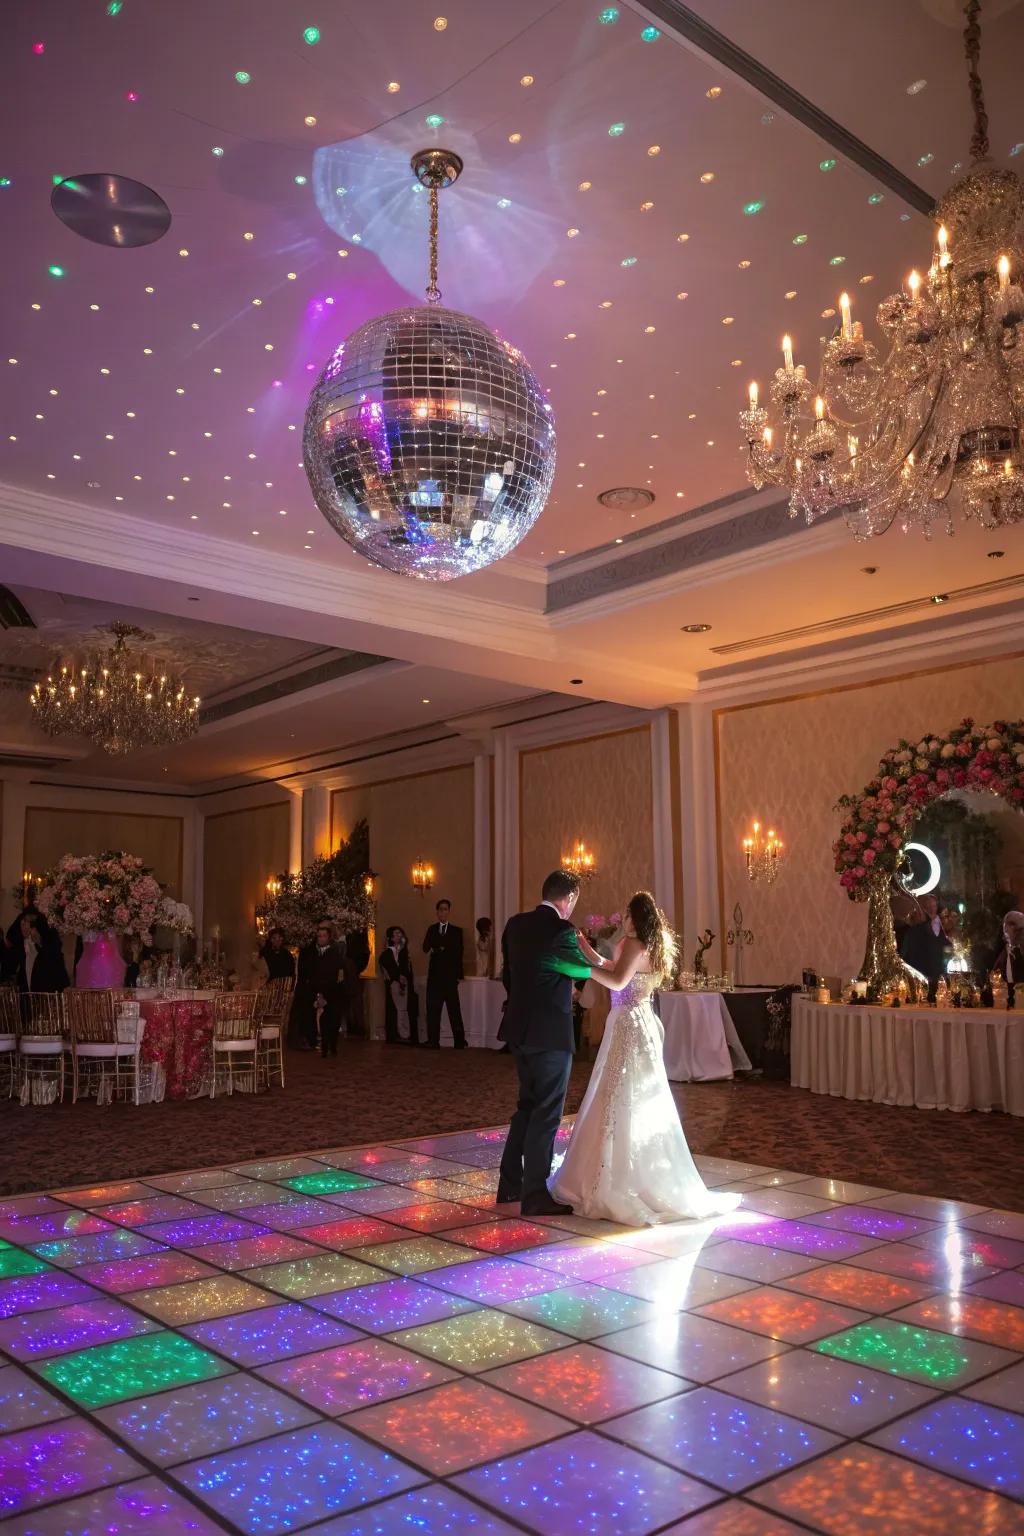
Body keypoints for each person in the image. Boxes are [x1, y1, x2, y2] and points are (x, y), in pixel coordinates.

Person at [551, 891, 742, 1226]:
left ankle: (614, 1176)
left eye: (627, 914)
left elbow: (616, 980)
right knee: (631, 1094)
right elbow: (614, 967)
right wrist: (587, 951)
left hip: (628, 1024)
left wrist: (581, 968)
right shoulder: (648, 945)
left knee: (618, 1094)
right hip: (640, 1022)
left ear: (635, 917)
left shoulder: (633, 944)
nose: (623, 919)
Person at [497, 869, 591, 1216]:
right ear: (569, 898)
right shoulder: (562, 930)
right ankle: (535, 1194)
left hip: (518, 1030)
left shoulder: (515, 924)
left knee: (526, 1106)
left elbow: (509, 976)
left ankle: (510, 1185)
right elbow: (583, 970)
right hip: (549, 1033)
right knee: (547, 1113)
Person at [295, 921, 346, 1056]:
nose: (321, 938)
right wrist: (317, 992)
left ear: (329, 937)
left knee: (332, 1019)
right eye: (319, 936)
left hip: (332, 991)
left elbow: (337, 973)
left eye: (324, 936)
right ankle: (322, 1044)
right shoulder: (312, 953)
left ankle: (332, 1045)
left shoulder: (334, 952)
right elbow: (311, 973)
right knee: (319, 1020)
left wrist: (328, 992)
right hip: (316, 990)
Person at [422, 899, 466, 1049]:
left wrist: (458, 976)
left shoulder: (456, 931)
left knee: (454, 1010)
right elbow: (425, 948)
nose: (442, 912)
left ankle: (459, 1041)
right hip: (434, 978)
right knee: (433, 1010)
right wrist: (438, 947)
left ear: (449, 911)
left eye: (445, 909)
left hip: (450, 977)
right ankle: (433, 1041)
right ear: (437, 912)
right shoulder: (432, 929)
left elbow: (458, 954)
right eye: (440, 909)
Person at [379, 926, 419, 1045]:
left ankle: (406, 1033)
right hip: (395, 984)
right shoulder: (387, 953)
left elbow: (406, 967)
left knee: (405, 1009)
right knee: (399, 1009)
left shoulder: (403, 952)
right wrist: (398, 976)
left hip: (405, 984)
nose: (399, 935)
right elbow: (388, 967)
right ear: (391, 937)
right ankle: (399, 1033)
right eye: (396, 933)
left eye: (400, 933)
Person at [899, 893, 951, 984]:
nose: (932, 909)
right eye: (928, 907)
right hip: (921, 974)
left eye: (934, 906)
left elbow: (943, 944)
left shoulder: (938, 923)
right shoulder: (914, 929)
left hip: (936, 974)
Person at [15, 913, 69, 994]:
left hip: (48, 994)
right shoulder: (27, 945)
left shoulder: (49, 949)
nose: (22, 924)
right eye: (22, 921)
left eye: (25, 921)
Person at [343, 927, 370, 1039]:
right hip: (357, 969)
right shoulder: (363, 948)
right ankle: (357, 1026)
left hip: (352, 968)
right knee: (356, 998)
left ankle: (355, 1026)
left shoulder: (351, 952)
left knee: (353, 998)